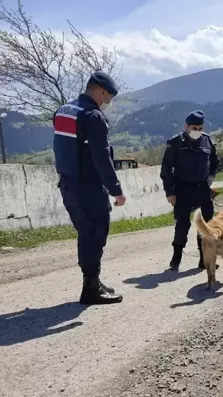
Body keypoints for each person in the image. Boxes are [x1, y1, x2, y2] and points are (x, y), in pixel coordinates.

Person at [53, 70, 126, 305]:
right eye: (109, 97)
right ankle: (91, 290)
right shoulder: (93, 116)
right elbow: (101, 157)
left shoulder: (64, 110)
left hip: (68, 184)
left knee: (86, 233)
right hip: (89, 187)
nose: (109, 102)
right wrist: (116, 190)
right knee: (96, 233)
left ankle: (92, 281)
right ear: (102, 91)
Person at [160, 110, 221, 271]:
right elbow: (166, 168)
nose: (197, 131)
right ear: (186, 126)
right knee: (182, 224)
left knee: (206, 225)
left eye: (200, 128)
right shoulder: (175, 143)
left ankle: (205, 259)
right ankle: (177, 256)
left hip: (202, 188)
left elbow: (216, 161)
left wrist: (210, 178)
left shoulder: (207, 141)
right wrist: (170, 192)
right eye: (194, 128)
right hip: (182, 189)